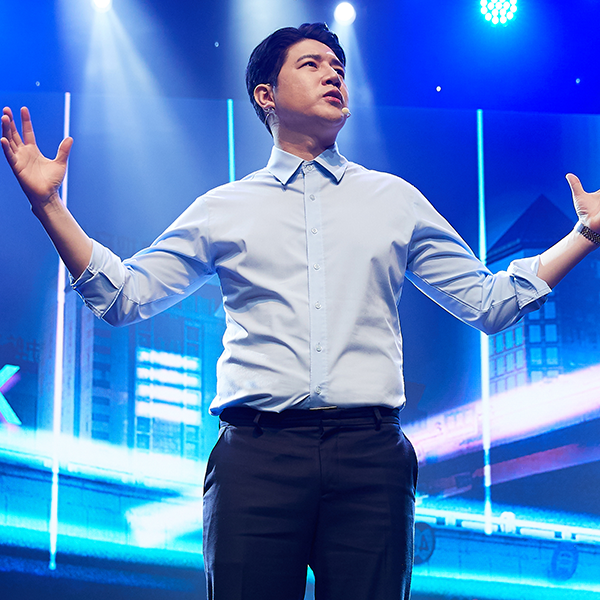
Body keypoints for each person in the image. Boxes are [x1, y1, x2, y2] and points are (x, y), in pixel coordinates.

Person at [2, 22, 600, 600]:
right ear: (266, 96)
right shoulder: (223, 207)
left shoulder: (395, 199)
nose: (332, 75)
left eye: (338, 67)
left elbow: (491, 304)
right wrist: (49, 205)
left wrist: (585, 234)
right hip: (256, 454)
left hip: (371, 458)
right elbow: (124, 296)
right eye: (311, 65)